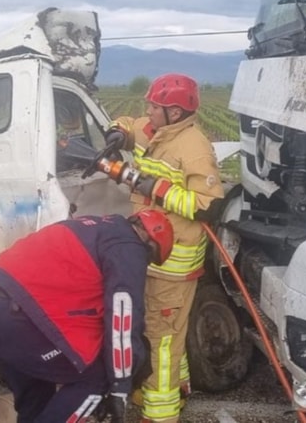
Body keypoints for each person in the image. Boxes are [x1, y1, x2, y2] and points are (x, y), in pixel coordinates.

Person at [0, 210, 175, 423]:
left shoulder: (91, 228)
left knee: (37, 397)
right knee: (97, 376)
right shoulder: (128, 245)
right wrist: (120, 387)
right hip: (16, 315)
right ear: (150, 244)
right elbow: (123, 319)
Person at [104, 73, 225, 423]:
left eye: (154, 107)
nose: (147, 111)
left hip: (174, 263)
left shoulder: (193, 147)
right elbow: (130, 124)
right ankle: (178, 387)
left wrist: (152, 187)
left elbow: (206, 205)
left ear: (174, 113)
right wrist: (117, 132)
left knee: (162, 338)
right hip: (152, 256)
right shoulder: (154, 130)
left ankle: (161, 412)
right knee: (168, 330)